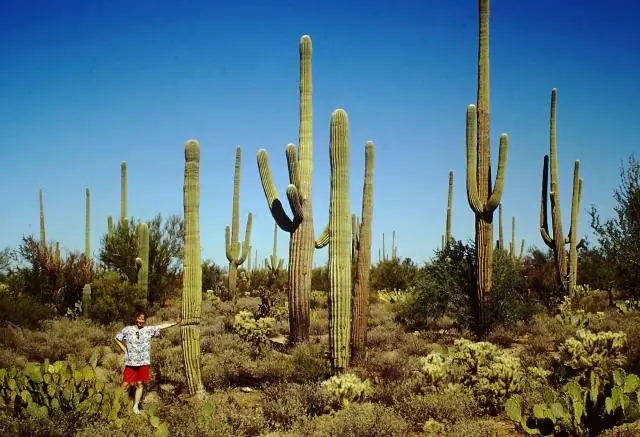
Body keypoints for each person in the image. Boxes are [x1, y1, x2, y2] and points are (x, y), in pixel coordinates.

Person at [114, 310, 181, 414]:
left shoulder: (148, 330)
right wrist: (125, 350)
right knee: (125, 384)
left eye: (142, 320)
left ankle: (135, 407)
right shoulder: (127, 330)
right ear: (135, 319)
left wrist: (175, 323)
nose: (140, 322)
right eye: (139, 319)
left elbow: (161, 326)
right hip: (131, 362)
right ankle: (115, 403)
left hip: (143, 362)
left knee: (139, 384)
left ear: (145, 320)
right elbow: (117, 338)